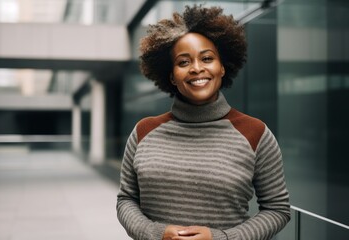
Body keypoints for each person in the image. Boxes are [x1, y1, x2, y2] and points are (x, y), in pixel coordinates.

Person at [117, 5, 290, 240]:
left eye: (207, 58)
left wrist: (222, 238)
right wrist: (155, 233)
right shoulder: (144, 131)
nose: (197, 68)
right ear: (171, 76)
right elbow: (126, 200)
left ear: (221, 68)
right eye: (183, 62)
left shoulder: (255, 133)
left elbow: (277, 209)